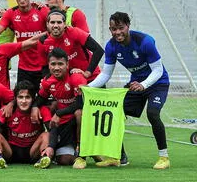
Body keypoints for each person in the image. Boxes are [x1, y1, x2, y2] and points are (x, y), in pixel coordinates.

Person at [88, 12, 170, 170]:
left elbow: (158, 70)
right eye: (113, 29)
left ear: (128, 26)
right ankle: (118, 157)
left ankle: (164, 157)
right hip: (136, 85)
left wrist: (144, 85)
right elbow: (106, 74)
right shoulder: (111, 46)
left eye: (120, 28)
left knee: (153, 114)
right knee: (114, 111)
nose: (117, 32)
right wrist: (88, 87)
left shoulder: (145, 42)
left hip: (157, 83)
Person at [34, 48, 86, 167]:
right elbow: (41, 99)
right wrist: (34, 107)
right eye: (53, 64)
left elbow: (80, 103)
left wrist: (59, 113)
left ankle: (81, 151)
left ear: (67, 65)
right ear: (48, 65)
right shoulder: (48, 81)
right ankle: (50, 150)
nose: (56, 68)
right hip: (63, 125)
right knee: (64, 160)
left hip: (77, 122)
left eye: (60, 64)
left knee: (79, 113)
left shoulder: (76, 77)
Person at [0, 81, 53, 169]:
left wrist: (51, 147)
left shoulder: (41, 110)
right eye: (20, 97)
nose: (23, 101)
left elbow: (52, 130)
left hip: (33, 151)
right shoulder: (8, 110)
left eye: (27, 97)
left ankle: (44, 158)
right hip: (10, 152)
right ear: (15, 98)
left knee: (46, 134)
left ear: (33, 98)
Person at [0, 0, 50, 89]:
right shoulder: (10, 13)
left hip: (44, 66)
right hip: (24, 68)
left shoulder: (42, 10)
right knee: (22, 102)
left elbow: (56, 29)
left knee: (46, 103)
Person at [39, 10, 104, 81]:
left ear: (65, 24)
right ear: (47, 24)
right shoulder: (43, 42)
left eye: (59, 22)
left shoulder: (74, 32)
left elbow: (98, 50)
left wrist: (87, 73)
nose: (55, 25)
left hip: (92, 78)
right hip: (69, 82)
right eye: (52, 22)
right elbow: (45, 67)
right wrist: (47, 82)